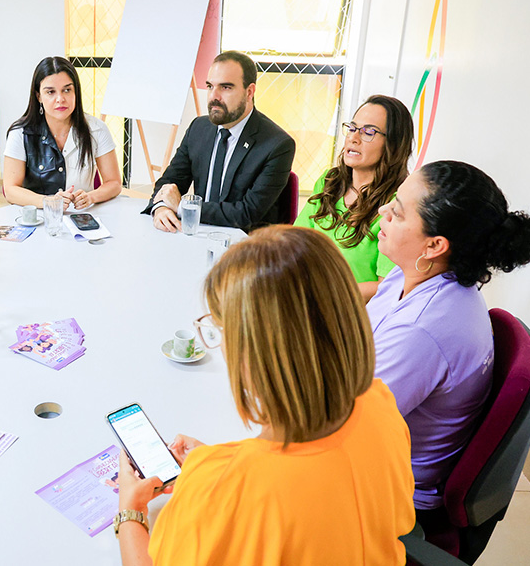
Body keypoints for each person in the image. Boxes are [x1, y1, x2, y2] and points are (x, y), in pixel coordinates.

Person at [116, 226, 415, 565]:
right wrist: (219, 461)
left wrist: (130, 510)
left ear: (253, 351)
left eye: (219, 329)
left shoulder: (219, 493)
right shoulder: (380, 403)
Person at [368, 160, 530, 516]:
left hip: (387, 490)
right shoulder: (413, 275)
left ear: (434, 245)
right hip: (368, 443)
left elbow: (342, 422)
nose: (383, 211)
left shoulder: (424, 331)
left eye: (397, 210)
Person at [144, 51, 295, 232]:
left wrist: (184, 207)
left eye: (225, 87)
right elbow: (170, 181)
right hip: (197, 234)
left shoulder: (277, 145)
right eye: (209, 86)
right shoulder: (199, 128)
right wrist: (161, 207)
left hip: (245, 247)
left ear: (249, 92)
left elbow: (247, 214)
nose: (213, 96)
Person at [295, 94, 414, 301]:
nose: (353, 138)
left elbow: (387, 286)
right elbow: (296, 242)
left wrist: (325, 294)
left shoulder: (398, 204)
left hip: (350, 312)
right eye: (352, 128)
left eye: (369, 131)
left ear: (393, 144)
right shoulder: (329, 181)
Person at [2, 56, 122, 210]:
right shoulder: (20, 133)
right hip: (37, 218)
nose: (60, 99)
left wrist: (91, 196)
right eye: (50, 92)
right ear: (39, 96)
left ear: (75, 92)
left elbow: (114, 183)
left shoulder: (97, 129)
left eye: (67, 90)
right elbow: (11, 190)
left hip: (83, 217)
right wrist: (48, 201)